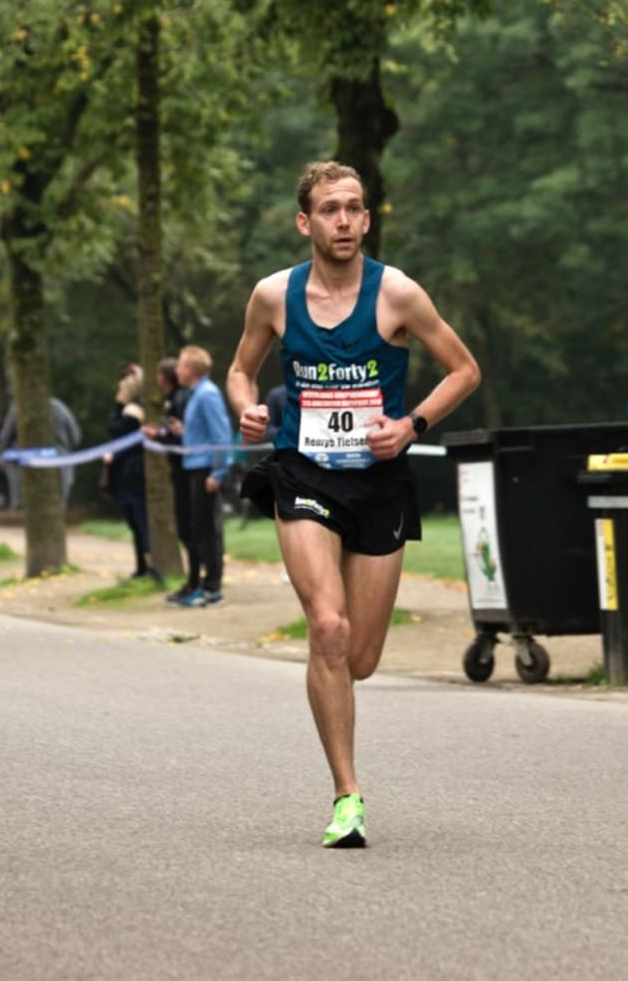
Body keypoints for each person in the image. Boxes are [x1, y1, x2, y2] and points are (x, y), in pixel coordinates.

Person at [226, 160, 480, 848]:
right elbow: (242, 368)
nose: (344, 220)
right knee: (328, 628)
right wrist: (246, 409)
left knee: (361, 657)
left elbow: (464, 369)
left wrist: (412, 425)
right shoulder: (274, 296)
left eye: (355, 208)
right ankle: (347, 793)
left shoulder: (398, 295)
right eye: (330, 209)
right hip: (303, 471)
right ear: (305, 221)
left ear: (368, 219)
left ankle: (344, 751)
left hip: (378, 482)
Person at [171, 345, 230, 608]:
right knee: (198, 528)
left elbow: (221, 435)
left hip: (205, 469)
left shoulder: (207, 394)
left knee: (209, 530)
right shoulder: (194, 395)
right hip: (193, 466)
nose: (177, 370)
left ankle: (213, 587)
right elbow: (201, 433)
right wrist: (181, 431)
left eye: (181, 365)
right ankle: (204, 584)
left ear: (191, 369)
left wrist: (218, 472)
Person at [102, 365, 160, 583]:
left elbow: (117, 431)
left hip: (132, 471)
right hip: (124, 471)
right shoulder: (128, 409)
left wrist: (119, 403)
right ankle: (142, 566)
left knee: (139, 518)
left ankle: (150, 565)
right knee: (134, 521)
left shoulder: (133, 412)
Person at [147, 356, 196, 603]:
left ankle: (199, 581)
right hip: (180, 468)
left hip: (188, 470)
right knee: (185, 527)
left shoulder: (181, 398)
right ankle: (194, 580)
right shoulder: (175, 399)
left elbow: (183, 436)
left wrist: (161, 436)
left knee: (190, 527)